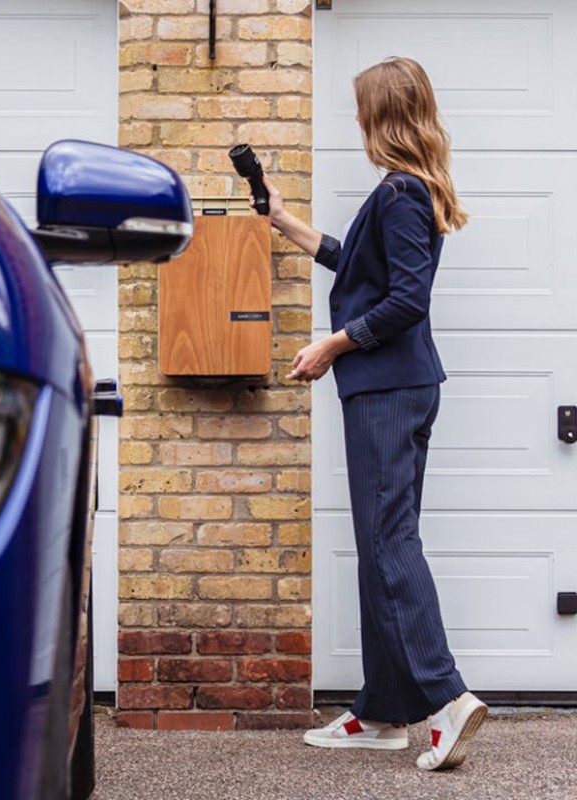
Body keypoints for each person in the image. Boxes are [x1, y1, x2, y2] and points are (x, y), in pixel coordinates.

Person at [257, 56, 486, 771]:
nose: (353, 120)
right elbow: (359, 268)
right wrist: (285, 221)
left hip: (388, 388)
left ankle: (447, 698)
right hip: (398, 387)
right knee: (384, 541)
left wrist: (332, 344)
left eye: (360, 109)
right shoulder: (405, 193)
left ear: (378, 119)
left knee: (388, 544)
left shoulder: (399, 194)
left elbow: (407, 299)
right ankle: (384, 712)